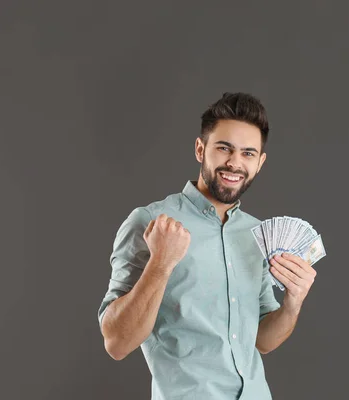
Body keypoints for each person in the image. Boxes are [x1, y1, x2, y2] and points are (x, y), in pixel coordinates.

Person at [97, 92, 317, 399]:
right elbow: (117, 343)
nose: (234, 163)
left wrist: (294, 302)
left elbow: (263, 341)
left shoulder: (257, 233)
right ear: (201, 149)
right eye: (224, 148)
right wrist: (161, 263)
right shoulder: (151, 222)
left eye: (248, 153)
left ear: (260, 163)